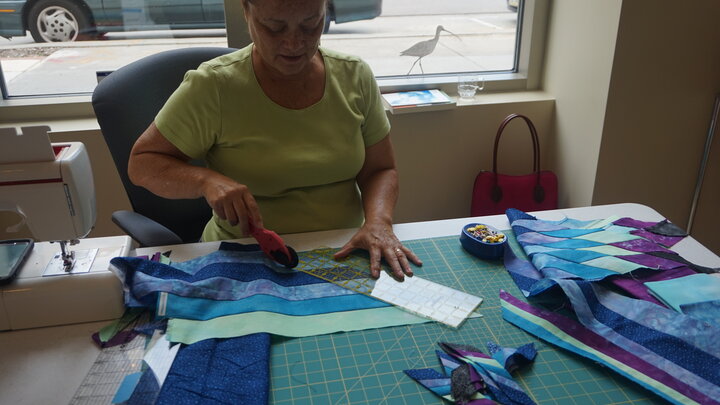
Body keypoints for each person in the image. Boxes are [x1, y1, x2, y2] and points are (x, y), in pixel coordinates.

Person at [127, 0, 422, 280]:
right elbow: (143, 164)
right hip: (245, 254)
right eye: (274, 27)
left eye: (310, 25)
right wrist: (205, 181)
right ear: (246, 12)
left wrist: (379, 223)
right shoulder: (213, 86)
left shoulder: (354, 76)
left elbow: (380, 169)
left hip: (345, 247)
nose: (294, 43)